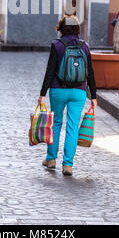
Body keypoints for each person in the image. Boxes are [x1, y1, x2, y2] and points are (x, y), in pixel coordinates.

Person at [37, 15, 97, 177]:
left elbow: (50, 71)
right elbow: (90, 73)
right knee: (72, 127)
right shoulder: (85, 46)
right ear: (77, 29)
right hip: (78, 92)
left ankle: (51, 159)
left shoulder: (57, 45)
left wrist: (42, 93)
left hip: (58, 90)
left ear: (61, 28)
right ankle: (68, 165)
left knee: (55, 123)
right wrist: (94, 96)